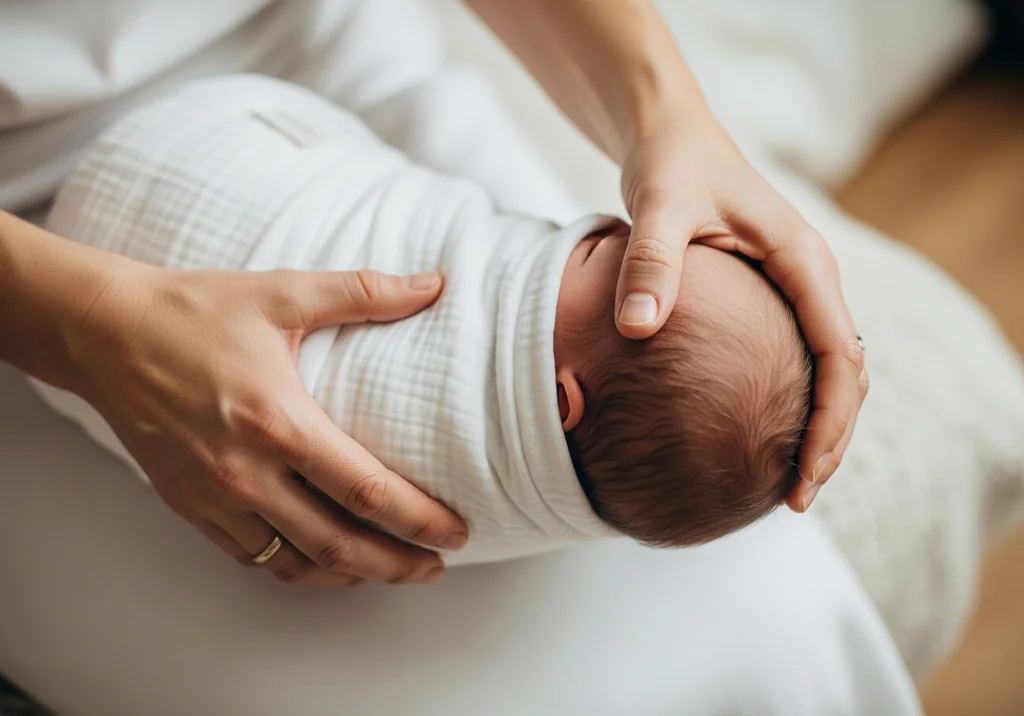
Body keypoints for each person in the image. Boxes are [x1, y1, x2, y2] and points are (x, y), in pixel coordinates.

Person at [0, 0, 865, 585]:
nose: (610, 229)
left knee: (767, 608)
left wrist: (668, 114)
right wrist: (86, 324)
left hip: (312, 44)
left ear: (562, 399)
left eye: (608, 249)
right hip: (25, 206)